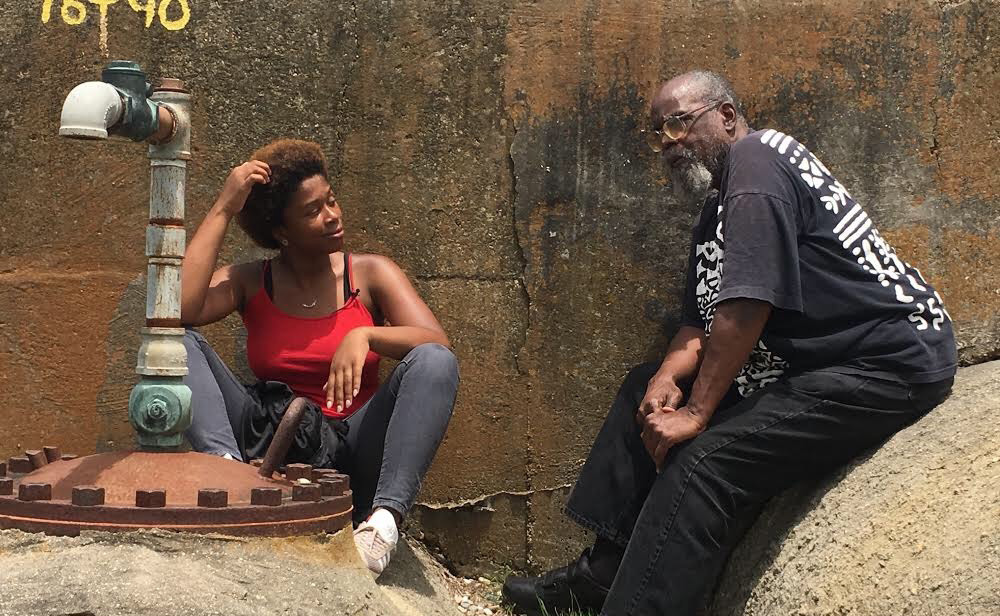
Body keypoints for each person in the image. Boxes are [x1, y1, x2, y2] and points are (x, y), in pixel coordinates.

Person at [502, 70, 957, 616]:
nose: (669, 144)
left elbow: (747, 306)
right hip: (815, 363)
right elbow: (701, 323)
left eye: (679, 123)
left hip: (885, 362)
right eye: (658, 133)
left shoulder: (757, 162)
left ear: (725, 115)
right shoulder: (718, 209)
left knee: (703, 465)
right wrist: (668, 378)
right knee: (639, 394)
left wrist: (696, 413)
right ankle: (602, 577)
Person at [179, 138, 459, 576]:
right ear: (281, 233)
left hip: (351, 452)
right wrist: (222, 208)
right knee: (176, 342)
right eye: (313, 211)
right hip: (269, 444)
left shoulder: (369, 274)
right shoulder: (251, 281)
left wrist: (366, 334)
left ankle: (382, 526)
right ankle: (229, 480)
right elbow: (177, 311)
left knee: (435, 362)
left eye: (331, 201)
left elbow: (435, 343)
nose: (333, 216)